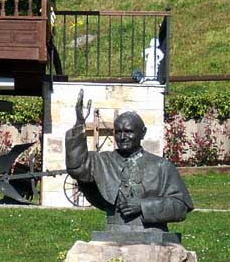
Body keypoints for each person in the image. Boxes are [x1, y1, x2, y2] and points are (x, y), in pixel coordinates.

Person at [65, 90, 193, 234]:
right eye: (118, 132)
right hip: (114, 232)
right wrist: (79, 126)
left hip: (152, 233)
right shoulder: (103, 161)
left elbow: (180, 206)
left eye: (129, 131)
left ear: (143, 133)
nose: (122, 137)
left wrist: (143, 206)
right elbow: (77, 167)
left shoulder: (162, 166)